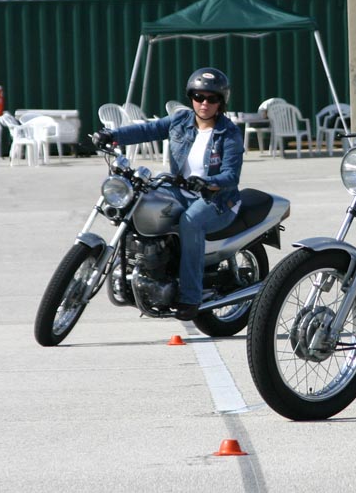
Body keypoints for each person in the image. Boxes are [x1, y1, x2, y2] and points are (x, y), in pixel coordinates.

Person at [93, 67, 244, 321]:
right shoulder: (180, 120)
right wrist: (112, 135)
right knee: (138, 201)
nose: (204, 103)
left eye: (212, 98)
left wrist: (206, 182)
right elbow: (147, 130)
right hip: (179, 188)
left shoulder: (229, 133)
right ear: (191, 97)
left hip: (216, 199)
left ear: (221, 102)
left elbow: (231, 176)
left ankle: (190, 297)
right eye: (198, 97)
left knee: (190, 221)